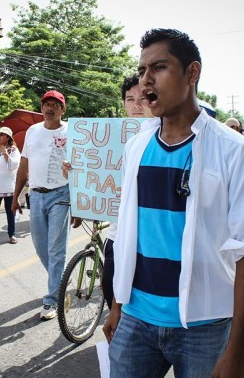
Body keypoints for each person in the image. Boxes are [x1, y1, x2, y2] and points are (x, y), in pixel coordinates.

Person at [103, 29, 244, 377]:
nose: (146, 79)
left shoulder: (234, 150)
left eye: (159, 67)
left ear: (192, 73)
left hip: (205, 326)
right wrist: (117, 306)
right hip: (135, 320)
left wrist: (237, 354)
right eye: (142, 70)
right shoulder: (137, 147)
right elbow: (126, 235)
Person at [12, 90, 81, 321]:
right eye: (45, 104)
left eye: (55, 104)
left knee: (55, 248)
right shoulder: (33, 131)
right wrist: (15, 196)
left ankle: (52, 299)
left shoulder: (73, 131)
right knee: (40, 247)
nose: (49, 108)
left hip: (62, 194)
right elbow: (24, 165)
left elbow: (84, 165)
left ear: (63, 108)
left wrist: (79, 204)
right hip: (36, 195)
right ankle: (60, 281)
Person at [101, 74, 153, 310]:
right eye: (130, 99)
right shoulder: (109, 137)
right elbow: (96, 179)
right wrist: (75, 172)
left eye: (142, 97)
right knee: (112, 296)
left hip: (149, 240)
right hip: (116, 234)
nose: (137, 104)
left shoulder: (168, 136)